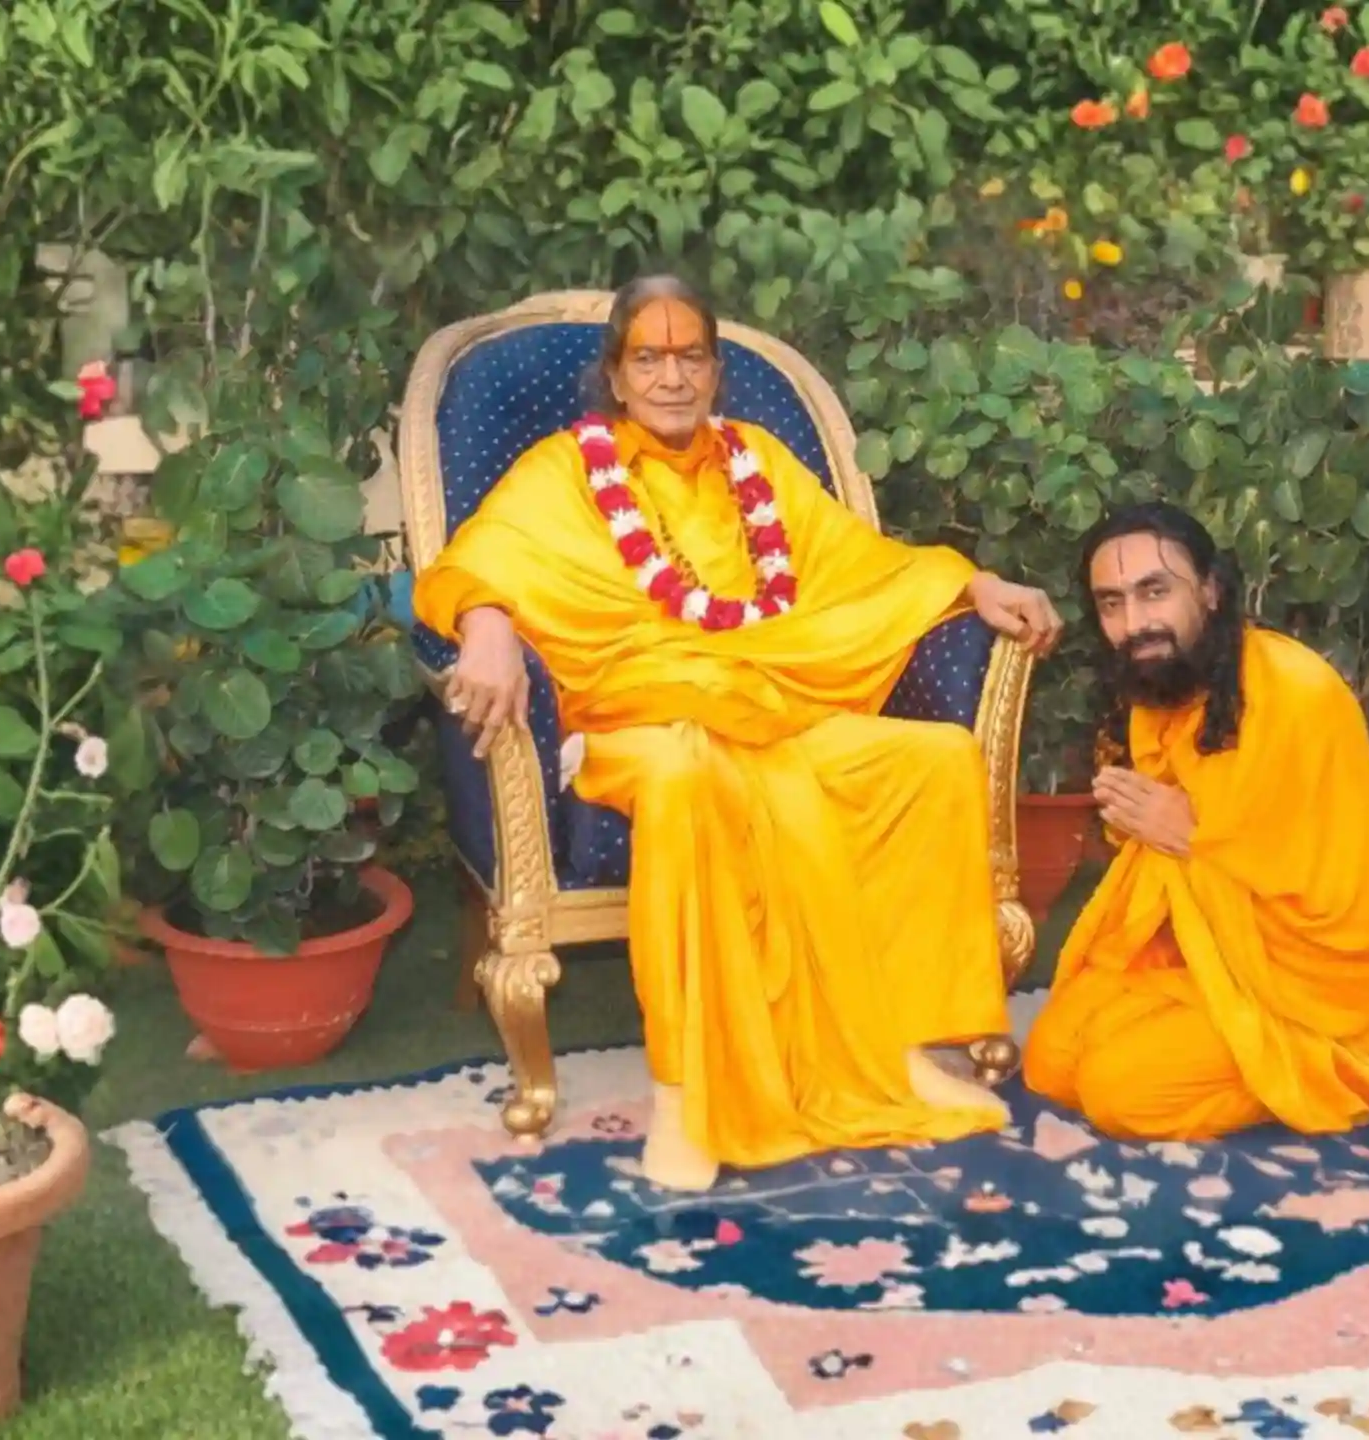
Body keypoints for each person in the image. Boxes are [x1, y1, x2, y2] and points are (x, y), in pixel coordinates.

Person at [413, 275, 1063, 1191]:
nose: (672, 378)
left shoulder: (755, 460)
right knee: (686, 777)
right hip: (634, 719)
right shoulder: (564, 470)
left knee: (932, 760)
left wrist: (974, 588)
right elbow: (473, 563)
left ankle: (901, 1045)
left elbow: (857, 561)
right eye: (650, 357)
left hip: (768, 701)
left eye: (691, 357)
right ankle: (687, 1093)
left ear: (715, 371)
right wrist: (485, 626)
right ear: (617, 373)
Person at [1022, 501, 1369, 1142]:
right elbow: (1170, 871)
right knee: (1050, 1060)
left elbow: (1325, 888)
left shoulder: (1295, 690)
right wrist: (1168, 833)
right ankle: (1226, 1046)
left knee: (1120, 1090)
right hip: (1215, 956)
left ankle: (1319, 1069)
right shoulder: (1164, 689)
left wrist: (1191, 833)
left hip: (1312, 988)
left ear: (1210, 590)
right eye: (1111, 603)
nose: (1135, 623)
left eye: (1154, 592)